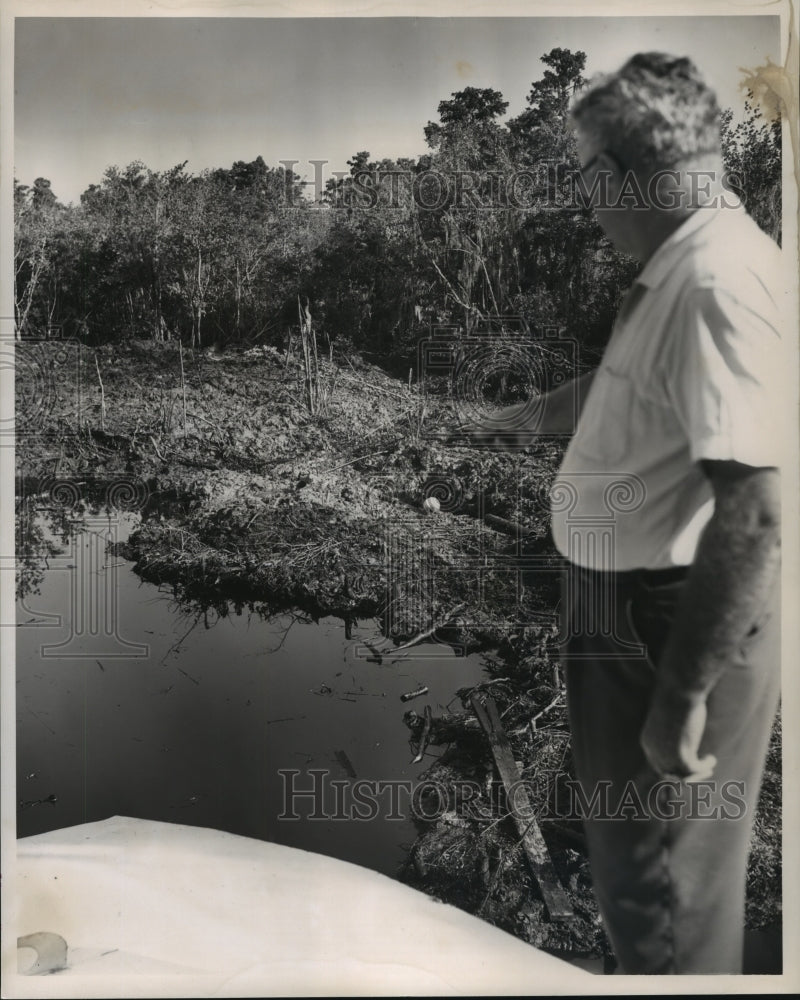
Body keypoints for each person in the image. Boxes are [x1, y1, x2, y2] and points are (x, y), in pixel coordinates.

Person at [458, 53, 784, 974]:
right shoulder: (681, 265)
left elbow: (757, 513)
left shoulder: (719, 283)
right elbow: (620, 389)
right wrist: (514, 421)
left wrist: (681, 695)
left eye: (586, 174)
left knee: (666, 893)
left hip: (665, 621)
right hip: (630, 610)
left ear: (631, 171)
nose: (587, 200)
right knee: (636, 880)